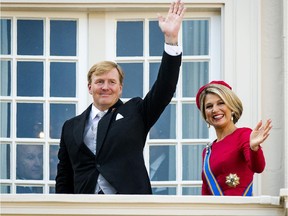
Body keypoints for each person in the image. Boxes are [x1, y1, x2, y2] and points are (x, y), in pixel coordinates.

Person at [56, 0, 186, 194]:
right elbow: (64, 176)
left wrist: (171, 39)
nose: (106, 87)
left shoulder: (136, 112)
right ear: (90, 87)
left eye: (112, 82)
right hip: (84, 207)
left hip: (129, 206)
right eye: (100, 82)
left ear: (120, 88)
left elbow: (165, 89)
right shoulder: (71, 127)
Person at [195, 80, 272, 196]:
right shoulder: (207, 152)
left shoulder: (244, 135)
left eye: (221, 103)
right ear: (205, 115)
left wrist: (254, 148)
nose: (215, 110)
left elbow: (258, 167)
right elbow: (206, 194)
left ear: (232, 108)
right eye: (209, 106)